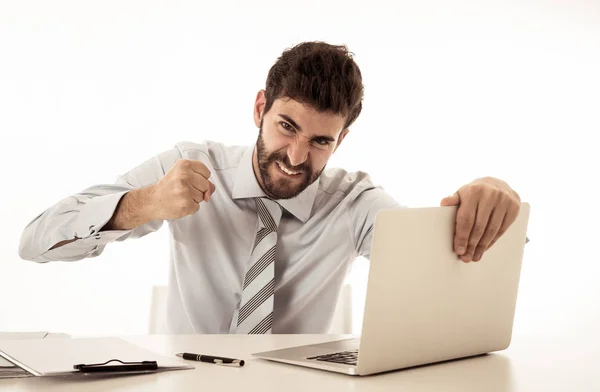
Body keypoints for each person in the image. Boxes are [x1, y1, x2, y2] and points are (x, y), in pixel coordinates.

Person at [18, 41, 522, 335]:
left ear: (342, 139)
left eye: (321, 141)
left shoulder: (355, 202)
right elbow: (35, 242)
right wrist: (142, 204)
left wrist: (492, 202)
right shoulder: (189, 164)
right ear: (261, 109)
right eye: (286, 127)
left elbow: (441, 263)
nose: (297, 157)